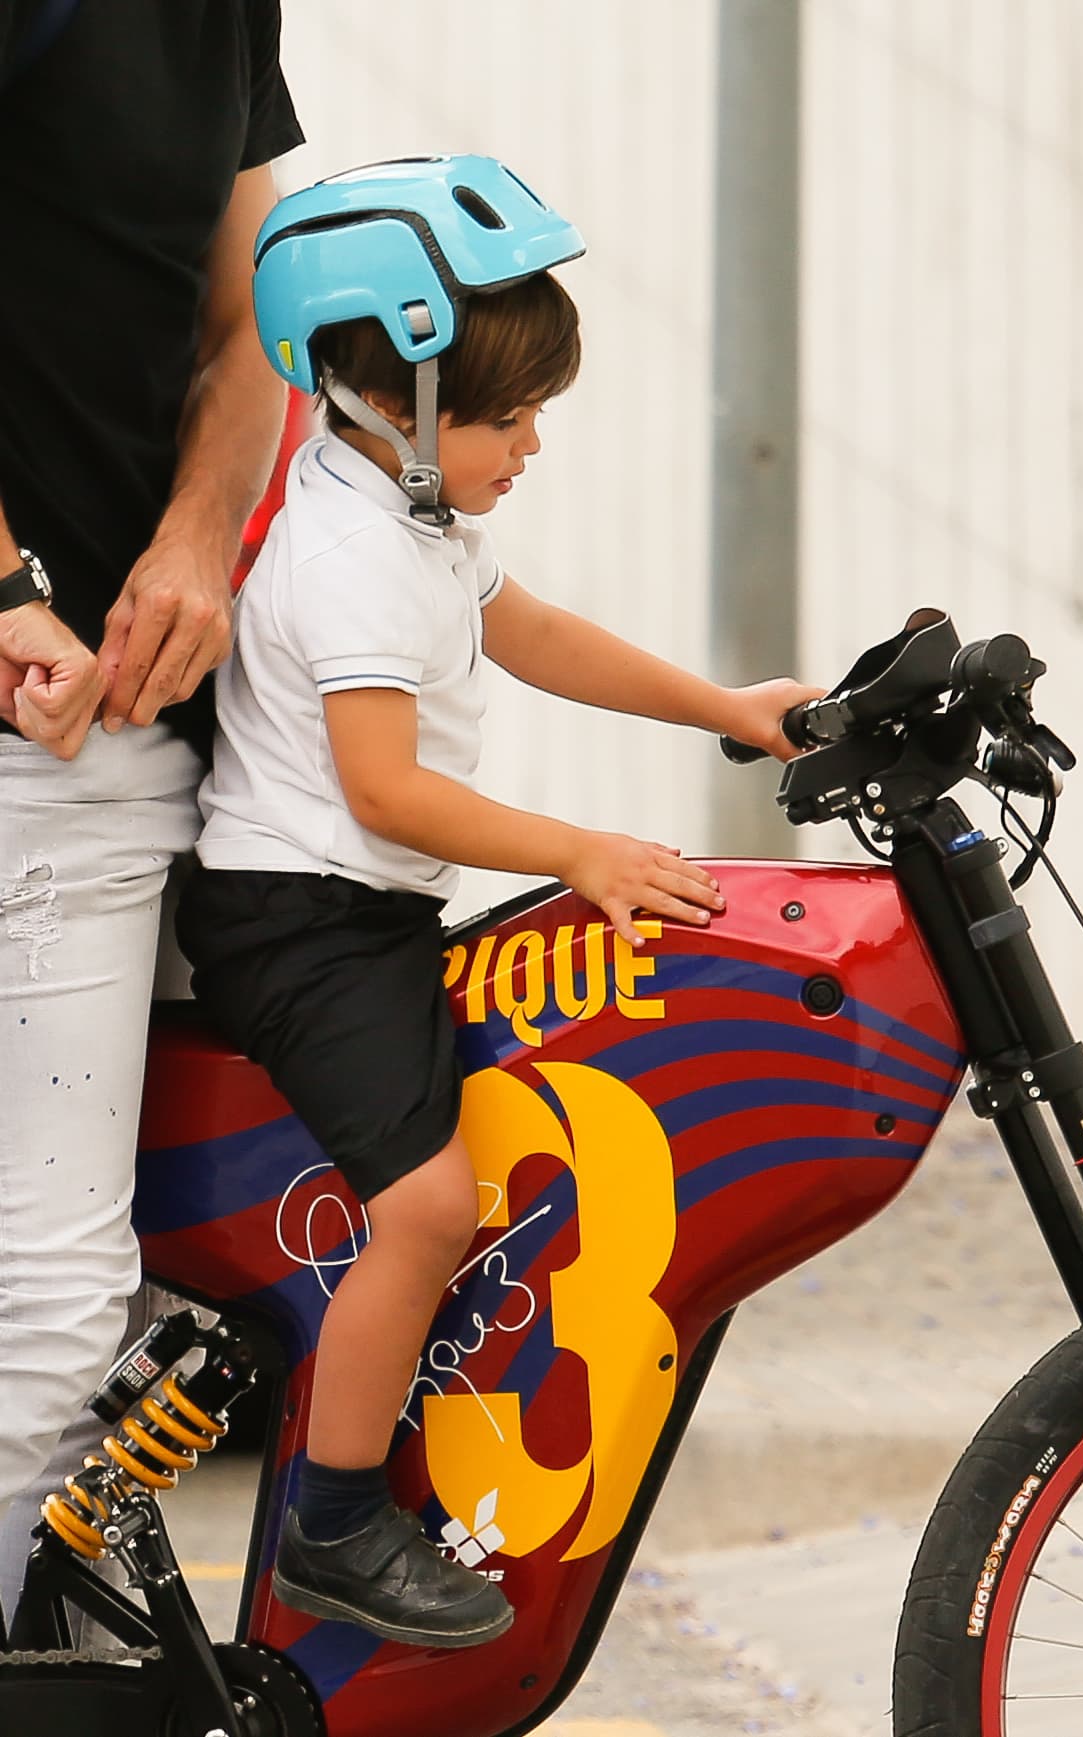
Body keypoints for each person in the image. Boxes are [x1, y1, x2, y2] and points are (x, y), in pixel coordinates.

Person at [175, 154, 819, 1649]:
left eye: (537, 413)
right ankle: (330, 1525)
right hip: (300, 918)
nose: (529, 444)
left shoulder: (412, 519)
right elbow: (386, 790)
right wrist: (581, 851)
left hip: (361, 907)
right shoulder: (343, 553)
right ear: (390, 403)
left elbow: (531, 633)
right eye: (504, 417)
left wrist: (728, 705)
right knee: (428, 1208)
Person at [0, 0, 302, 1625]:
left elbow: (250, 316)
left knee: (91, 1302)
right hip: (34, 730)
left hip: (113, 732)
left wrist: (196, 538)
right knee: (46, 1312)